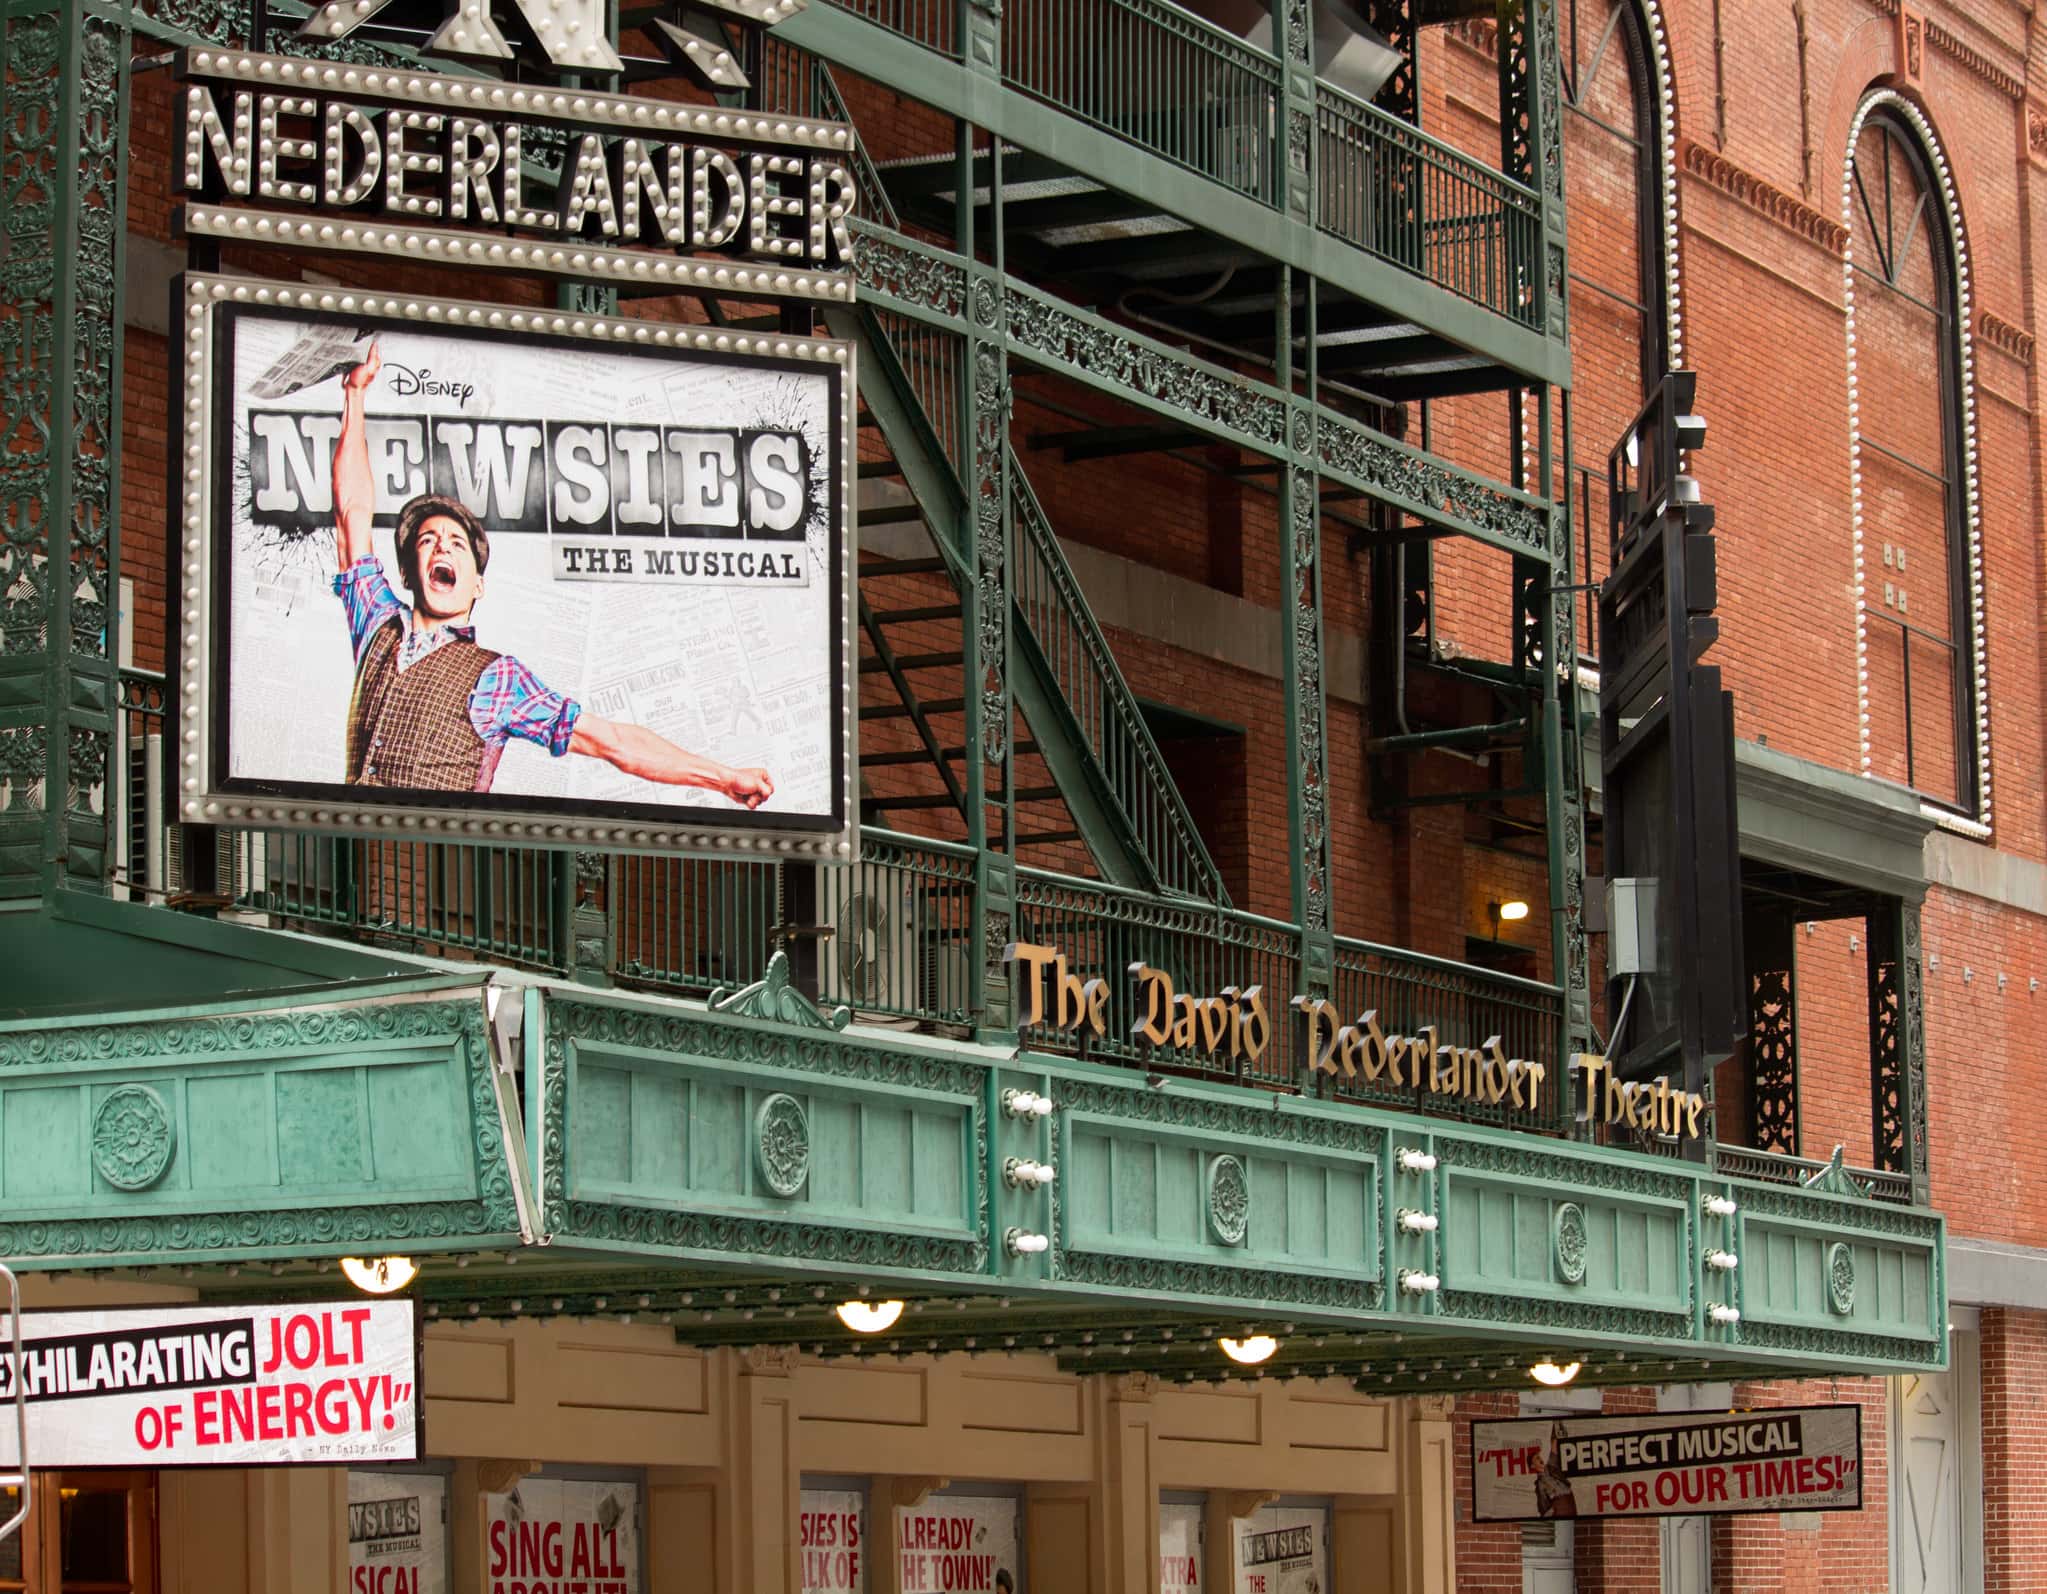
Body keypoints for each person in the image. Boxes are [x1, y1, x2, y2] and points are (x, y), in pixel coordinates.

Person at [327, 344, 774, 804]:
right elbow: (351, 512)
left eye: (457, 544)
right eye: (427, 541)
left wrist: (722, 778)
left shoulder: (497, 679)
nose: (442, 545)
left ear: (478, 584)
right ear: (408, 573)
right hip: (346, 846)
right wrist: (355, 395)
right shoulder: (377, 623)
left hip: (430, 862)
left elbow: (613, 743)